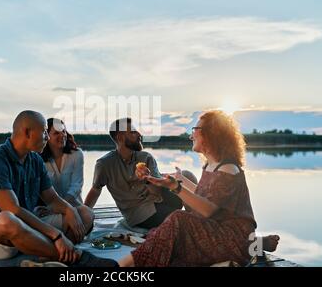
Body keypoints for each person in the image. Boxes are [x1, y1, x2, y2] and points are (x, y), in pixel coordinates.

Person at [118, 110, 279, 267]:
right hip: (220, 230)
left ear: (211, 134)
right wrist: (180, 180)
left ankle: (122, 265)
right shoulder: (212, 165)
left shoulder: (228, 168)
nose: (191, 135)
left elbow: (209, 210)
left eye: (195, 129)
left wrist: (176, 187)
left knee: (177, 220)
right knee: (164, 237)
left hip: (230, 236)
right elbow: (205, 196)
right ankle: (255, 243)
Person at [0, 110, 113, 266]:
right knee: (6, 219)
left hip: (27, 228)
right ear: (27, 132)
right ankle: (74, 257)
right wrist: (56, 235)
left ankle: (46, 255)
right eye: (44, 131)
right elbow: (13, 209)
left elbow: (51, 199)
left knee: (84, 213)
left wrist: (69, 209)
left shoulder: (35, 160)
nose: (47, 137)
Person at [84, 118, 198, 229]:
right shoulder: (105, 164)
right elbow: (95, 190)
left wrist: (148, 179)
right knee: (183, 218)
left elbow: (157, 192)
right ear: (120, 138)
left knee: (187, 175)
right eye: (133, 132)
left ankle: (199, 215)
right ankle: (194, 220)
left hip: (159, 200)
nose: (139, 134)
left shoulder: (146, 157)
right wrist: (83, 214)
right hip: (141, 215)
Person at [40, 118, 85, 208]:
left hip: (74, 206)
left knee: (88, 215)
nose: (62, 135)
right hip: (49, 208)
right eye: (56, 133)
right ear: (46, 136)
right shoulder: (38, 159)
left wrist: (63, 206)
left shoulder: (77, 154)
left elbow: (76, 185)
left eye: (63, 131)